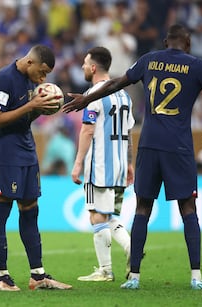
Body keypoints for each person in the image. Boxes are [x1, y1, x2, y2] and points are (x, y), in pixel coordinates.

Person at [62, 24, 202, 290]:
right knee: (188, 209)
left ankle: (134, 277)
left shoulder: (148, 60)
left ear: (165, 41)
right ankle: (196, 276)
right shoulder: (197, 65)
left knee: (142, 209)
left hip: (149, 145)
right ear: (188, 43)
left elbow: (116, 82)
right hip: (179, 147)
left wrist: (86, 99)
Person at [0, 44, 72, 291]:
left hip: (26, 151)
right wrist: (31, 106)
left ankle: (38, 275)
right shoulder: (5, 79)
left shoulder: (29, 82)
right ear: (30, 62)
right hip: (5, 154)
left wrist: (40, 110)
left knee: (30, 210)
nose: (43, 79)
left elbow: (23, 118)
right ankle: (1, 277)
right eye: (42, 72)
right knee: (2, 210)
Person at [71, 47, 134, 282]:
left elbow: (87, 130)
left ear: (93, 67)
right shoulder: (124, 95)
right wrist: (129, 164)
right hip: (118, 166)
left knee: (97, 216)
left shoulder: (93, 95)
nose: (83, 68)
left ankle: (108, 269)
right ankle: (129, 251)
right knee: (107, 215)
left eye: (85, 64)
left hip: (99, 166)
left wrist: (77, 164)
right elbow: (128, 132)